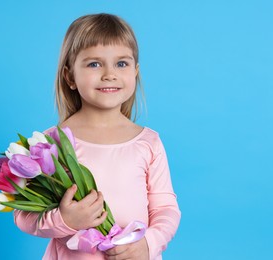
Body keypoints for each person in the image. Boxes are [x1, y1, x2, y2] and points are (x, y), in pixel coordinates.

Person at [14, 13, 181, 260]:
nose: (109, 74)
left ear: (135, 72)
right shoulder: (50, 145)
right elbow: (23, 216)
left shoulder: (148, 142)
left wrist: (148, 244)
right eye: (94, 64)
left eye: (121, 64)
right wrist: (65, 220)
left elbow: (166, 209)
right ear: (70, 76)